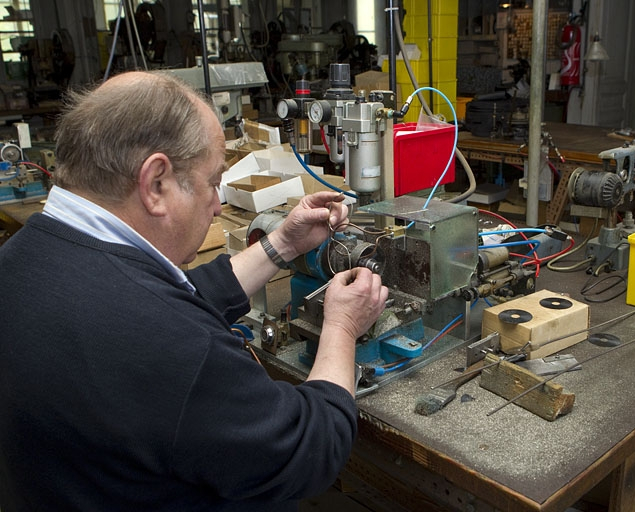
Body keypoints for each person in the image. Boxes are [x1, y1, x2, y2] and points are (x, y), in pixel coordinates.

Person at [0, 71, 388, 511]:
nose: (218, 204)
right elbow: (311, 449)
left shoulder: (23, 259)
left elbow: (167, 297)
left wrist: (282, 244)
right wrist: (341, 325)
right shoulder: (171, 346)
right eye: (212, 183)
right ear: (157, 184)